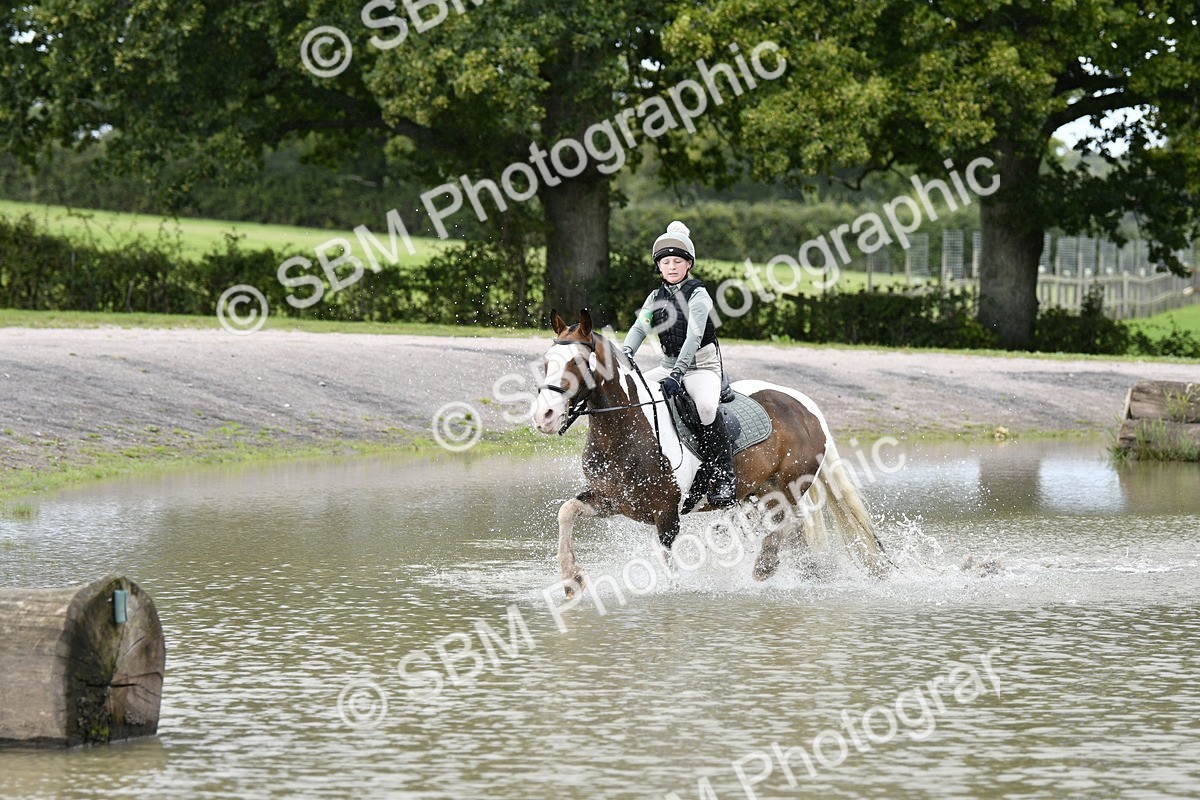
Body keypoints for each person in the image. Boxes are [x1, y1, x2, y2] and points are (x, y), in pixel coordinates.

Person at [621, 220, 736, 509]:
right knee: (633, 398)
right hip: (669, 366)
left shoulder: (699, 294)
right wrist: (625, 352)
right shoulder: (655, 297)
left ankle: (722, 475)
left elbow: (694, 336)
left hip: (701, 368)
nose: (671, 267)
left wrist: (678, 373)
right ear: (659, 267)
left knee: (707, 408)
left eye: (677, 261)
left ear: (688, 265)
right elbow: (639, 327)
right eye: (666, 262)